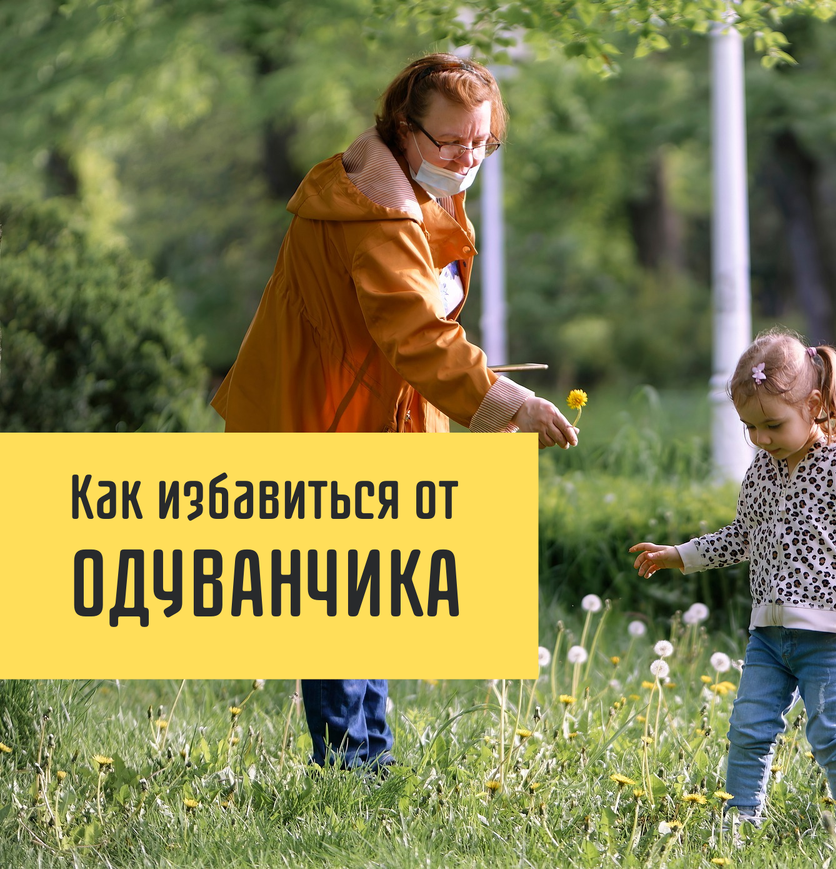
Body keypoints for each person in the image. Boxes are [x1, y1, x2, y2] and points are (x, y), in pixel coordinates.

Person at [211, 54, 577, 769]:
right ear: (404, 130)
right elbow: (415, 331)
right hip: (320, 414)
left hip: (375, 414)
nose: (467, 156)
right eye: (451, 141)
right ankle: (349, 763)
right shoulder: (373, 209)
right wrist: (509, 403)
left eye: (482, 141)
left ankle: (370, 755)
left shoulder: (424, 188)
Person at [629, 328, 836, 818]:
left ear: (814, 403)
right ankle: (739, 821)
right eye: (750, 427)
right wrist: (680, 554)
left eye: (773, 425)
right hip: (768, 635)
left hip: (831, 637)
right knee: (748, 729)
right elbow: (742, 536)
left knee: (830, 734)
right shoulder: (760, 471)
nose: (760, 439)